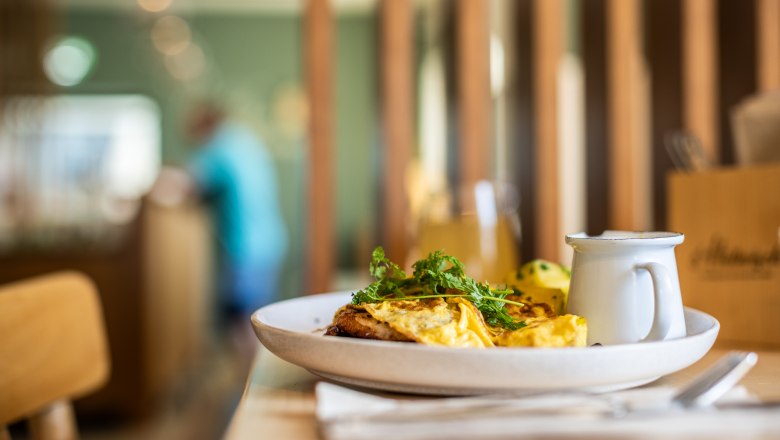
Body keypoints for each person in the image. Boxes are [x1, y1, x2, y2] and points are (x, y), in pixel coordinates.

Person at [156, 101, 288, 332]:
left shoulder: (220, 147)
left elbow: (185, 184)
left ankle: (248, 369)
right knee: (261, 317)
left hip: (247, 249)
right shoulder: (244, 139)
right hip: (270, 242)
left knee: (245, 323)